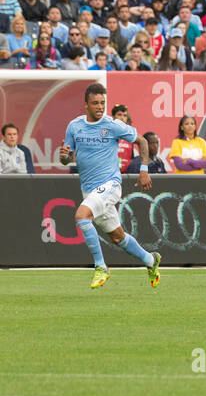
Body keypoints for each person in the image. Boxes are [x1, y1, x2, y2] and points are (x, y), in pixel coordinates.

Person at [58, 82, 161, 289]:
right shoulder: (74, 126)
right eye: (95, 103)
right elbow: (67, 159)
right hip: (89, 189)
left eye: (102, 103)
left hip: (110, 184)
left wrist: (144, 170)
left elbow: (141, 141)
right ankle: (151, 260)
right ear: (85, 104)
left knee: (81, 215)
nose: (99, 107)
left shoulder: (113, 125)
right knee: (117, 237)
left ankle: (100, 267)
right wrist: (64, 157)